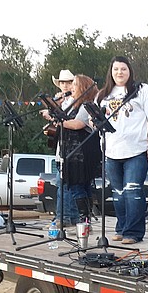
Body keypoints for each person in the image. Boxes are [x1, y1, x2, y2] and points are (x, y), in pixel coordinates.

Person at [96, 56, 148, 244]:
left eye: (123, 69)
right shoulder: (102, 95)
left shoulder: (142, 90)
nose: (119, 72)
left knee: (133, 190)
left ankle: (133, 232)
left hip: (136, 150)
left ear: (130, 71)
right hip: (111, 151)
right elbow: (94, 120)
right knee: (117, 192)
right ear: (111, 71)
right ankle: (122, 227)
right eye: (116, 69)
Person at [46, 74, 102, 225]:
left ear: (83, 88)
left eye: (75, 84)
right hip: (70, 152)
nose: (71, 87)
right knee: (72, 186)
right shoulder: (73, 105)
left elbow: (77, 124)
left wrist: (57, 121)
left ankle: (80, 218)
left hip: (80, 154)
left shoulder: (86, 106)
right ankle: (77, 218)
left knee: (77, 186)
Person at [41, 69, 79, 225]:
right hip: (60, 147)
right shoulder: (58, 100)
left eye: (69, 82)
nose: (65, 85)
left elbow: (69, 121)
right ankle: (69, 217)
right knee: (62, 184)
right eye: (62, 82)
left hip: (72, 148)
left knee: (64, 183)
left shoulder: (76, 100)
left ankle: (64, 217)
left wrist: (51, 117)